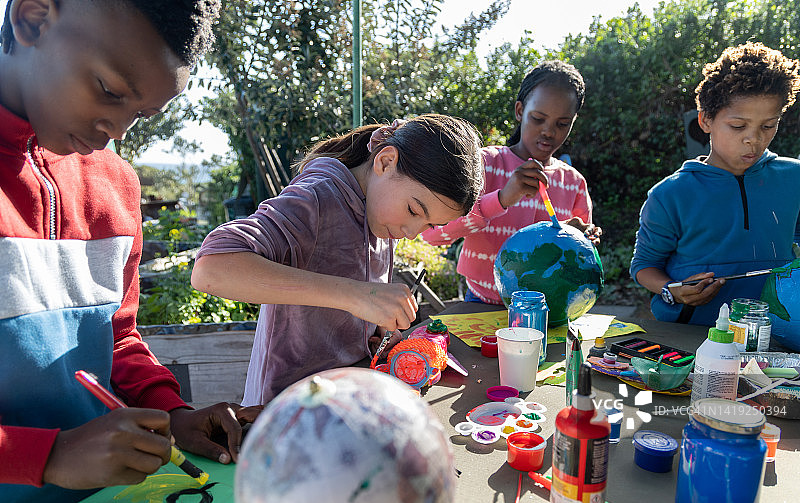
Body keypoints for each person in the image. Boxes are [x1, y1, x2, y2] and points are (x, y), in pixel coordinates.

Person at [0, 0, 260, 503]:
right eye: (110, 91)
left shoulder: (115, 188)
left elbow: (115, 342)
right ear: (33, 18)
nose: (113, 130)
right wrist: (48, 456)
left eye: (138, 115)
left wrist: (172, 413)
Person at [191, 114, 483, 404]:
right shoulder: (315, 198)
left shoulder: (378, 211)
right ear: (385, 162)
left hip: (344, 402)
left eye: (429, 225)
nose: (410, 233)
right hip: (286, 413)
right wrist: (357, 296)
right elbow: (211, 268)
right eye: (413, 211)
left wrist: (375, 330)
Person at [630, 42, 800, 325]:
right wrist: (674, 290)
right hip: (691, 338)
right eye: (738, 126)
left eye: (768, 126)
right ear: (706, 120)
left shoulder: (794, 178)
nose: (753, 139)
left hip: (774, 338)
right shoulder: (669, 194)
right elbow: (644, 267)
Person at [421, 60, 601, 305]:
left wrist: (579, 237)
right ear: (519, 111)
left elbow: (581, 262)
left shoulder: (573, 183)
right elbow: (433, 235)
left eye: (562, 124)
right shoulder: (484, 165)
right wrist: (501, 199)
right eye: (538, 118)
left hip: (548, 313)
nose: (549, 131)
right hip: (480, 305)